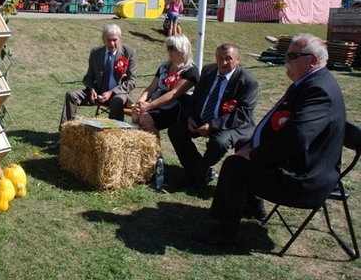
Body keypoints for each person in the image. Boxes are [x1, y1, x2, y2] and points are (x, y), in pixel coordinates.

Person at [193, 34, 346, 246]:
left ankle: (225, 232)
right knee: (241, 157)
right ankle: (251, 207)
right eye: (287, 54)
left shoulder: (319, 89)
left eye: (293, 55)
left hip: (303, 178)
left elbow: (297, 138)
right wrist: (254, 145)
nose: (287, 59)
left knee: (234, 166)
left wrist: (255, 153)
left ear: (312, 60)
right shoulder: (309, 83)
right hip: (295, 163)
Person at [168, 43, 258, 187]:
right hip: (202, 117)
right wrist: (190, 116)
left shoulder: (248, 82)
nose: (223, 63)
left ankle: (196, 174)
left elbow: (242, 114)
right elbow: (195, 97)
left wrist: (212, 125)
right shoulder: (208, 71)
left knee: (220, 142)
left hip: (231, 124)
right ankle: (202, 171)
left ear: (238, 59)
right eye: (220, 58)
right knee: (176, 131)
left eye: (228, 59)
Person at [60, 24, 137, 127]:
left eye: (115, 40)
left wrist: (112, 92)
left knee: (116, 101)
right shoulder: (96, 53)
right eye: (108, 40)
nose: (112, 43)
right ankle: (65, 131)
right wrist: (91, 89)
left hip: (119, 94)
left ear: (120, 38)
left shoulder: (129, 53)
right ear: (103, 40)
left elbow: (132, 81)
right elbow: (88, 77)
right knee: (71, 95)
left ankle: (113, 134)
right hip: (98, 93)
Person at [132, 34, 199, 134]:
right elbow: (151, 88)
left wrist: (149, 106)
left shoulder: (191, 71)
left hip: (178, 105)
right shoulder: (165, 66)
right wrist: (139, 102)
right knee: (136, 115)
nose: (170, 51)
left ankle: (154, 149)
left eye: (173, 48)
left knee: (145, 120)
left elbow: (174, 93)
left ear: (182, 50)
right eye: (168, 48)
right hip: (161, 102)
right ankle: (145, 148)